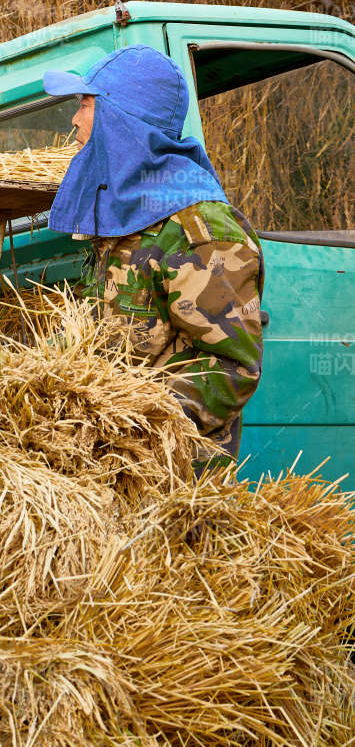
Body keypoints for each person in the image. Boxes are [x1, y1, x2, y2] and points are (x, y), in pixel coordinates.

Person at [42, 44, 263, 466]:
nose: (74, 120)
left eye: (85, 104)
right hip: (109, 466)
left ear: (122, 121)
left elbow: (232, 368)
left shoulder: (201, 231)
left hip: (170, 479)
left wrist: (132, 428)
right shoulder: (127, 219)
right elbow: (102, 329)